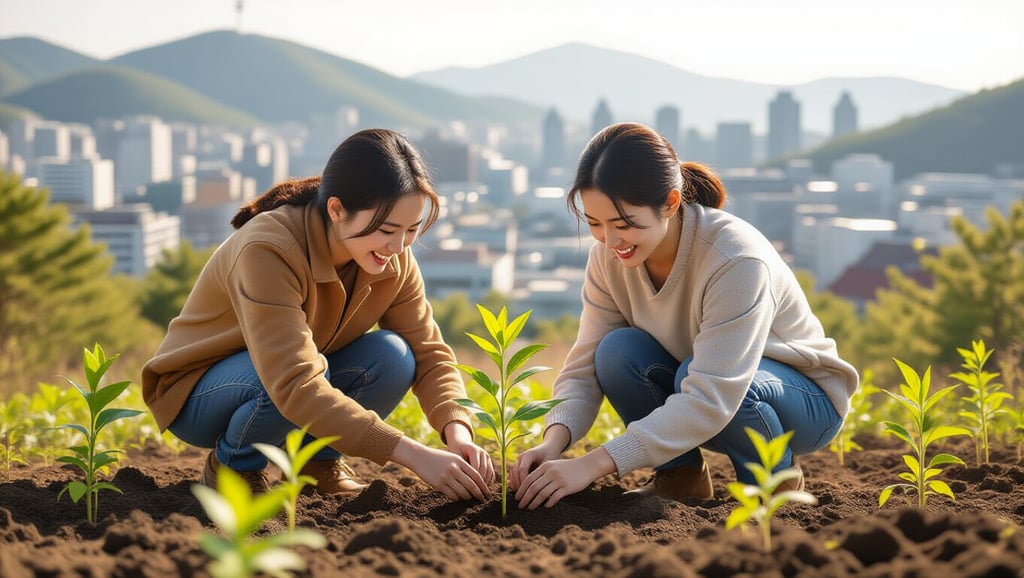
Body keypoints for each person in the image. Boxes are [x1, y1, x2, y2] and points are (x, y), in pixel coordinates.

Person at [509, 122, 859, 509]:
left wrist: (592, 465)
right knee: (614, 351)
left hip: (801, 401)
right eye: (594, 223)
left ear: (671, 203)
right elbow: (584, 367)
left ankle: (774, 483)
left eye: (624, 224)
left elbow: (715, 392)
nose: (610, 240)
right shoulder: (607, 258)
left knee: (708, 376)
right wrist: (553, 442)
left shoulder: (735, 258)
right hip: (705, 388)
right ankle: (681, 476)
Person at [142, 128, 494, 502]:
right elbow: (293, 380)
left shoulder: (391, 257)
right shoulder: (269, 249)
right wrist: (414, 455)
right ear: (337, 210)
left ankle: (316, 464)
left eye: (411, 230)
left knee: (394, 355)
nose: (398, 246)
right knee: (299, 373)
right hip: (199, 393)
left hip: (293, 376)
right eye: (387, 230)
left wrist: (457, 430)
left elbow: (429, 353)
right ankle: (234, 467)